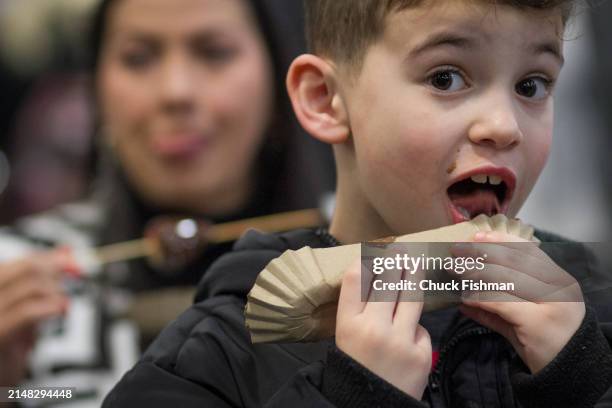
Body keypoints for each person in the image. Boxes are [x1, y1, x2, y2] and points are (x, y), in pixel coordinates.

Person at [104, 0, 612, 407]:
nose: (504, 126)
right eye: (446, 78)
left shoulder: (595, 306)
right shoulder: (218, 354)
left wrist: (583, 379)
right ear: (325, 100)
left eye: (532, 85)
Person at [0, 0, 333, 403]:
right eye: (138, 58)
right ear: (97, 86)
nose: (175, 92)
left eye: (215, 52)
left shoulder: (367, 260)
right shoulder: (16, 271)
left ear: (286, 73)